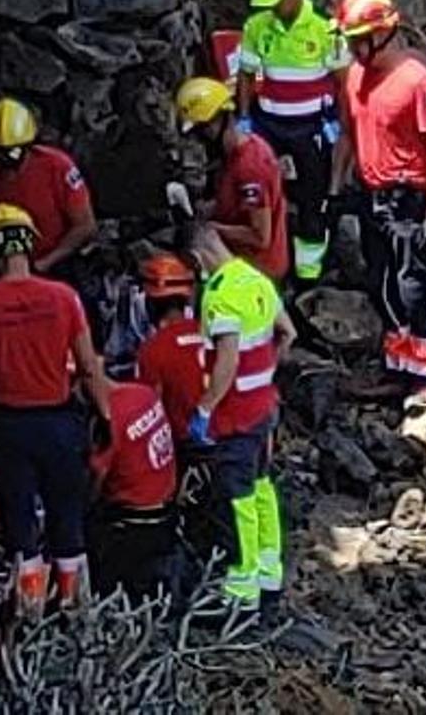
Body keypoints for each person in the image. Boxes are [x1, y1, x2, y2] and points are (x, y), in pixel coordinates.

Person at [0, 204, 108, 615]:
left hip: (11, 429)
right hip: (60, 423)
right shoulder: (64, 298)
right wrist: (106, 417)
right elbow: (90, 369)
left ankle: (29, 614)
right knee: (68, 524)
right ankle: (73, 612)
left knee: (21, 529)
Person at [331, 0, 426, 381]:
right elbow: (349, 134)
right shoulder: (353, 78)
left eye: (359, 41)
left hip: (408, 197)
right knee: (381, 278)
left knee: (413, 283)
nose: (354, 50)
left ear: (382, 34)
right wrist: (336, 189)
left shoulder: (417, 82)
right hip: (371, 193)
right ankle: (399, 362)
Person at [184, 224, 296, 611]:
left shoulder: (220, 295)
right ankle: (268, 572)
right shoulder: (256, 280)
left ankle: (240, 587)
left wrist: (204, 408)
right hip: (263, 408)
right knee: (262, 488)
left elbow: (226, 360)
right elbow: (287, 332)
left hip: (235, 417)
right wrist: (264, 374)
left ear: (200, 260)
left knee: (237, 501)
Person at [236, 0, 351, 284]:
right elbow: (246, 74)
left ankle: (309, 272)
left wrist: (340, 123)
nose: (272, 6)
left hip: (311, 125)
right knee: (262, 194)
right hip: (268, 123)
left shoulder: (323, 29)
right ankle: (266, 262)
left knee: (312, 197)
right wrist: (244, 118)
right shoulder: (257, 27)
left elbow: (343, 81)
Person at [0, 97, 97, 277]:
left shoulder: (57, 167)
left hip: (54, 267)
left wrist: (45, 263)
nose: (4, 159)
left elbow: (85, 226)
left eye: (12, 152)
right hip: (3, 270)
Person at [175, 77, 290, 283]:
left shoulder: (250, 168)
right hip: (240, 260)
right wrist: (210, 209)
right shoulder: (233, 156)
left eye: (203, 131)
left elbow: (260, 237)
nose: (201, 140)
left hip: (257, 271)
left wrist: (213, 228)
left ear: (222, 120)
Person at [87, 380, 178, 599]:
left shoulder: (111, 420)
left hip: (130, 523)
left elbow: (93, 483)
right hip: (166, 510)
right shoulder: (143, 394)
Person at [135, 253, 203, 443]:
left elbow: (148, 413)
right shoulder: (213, 334)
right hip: (228, 440)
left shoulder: (153, 351)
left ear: (149, 302)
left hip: (184, 446)